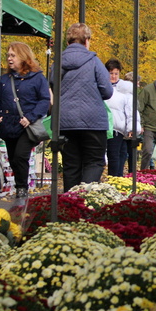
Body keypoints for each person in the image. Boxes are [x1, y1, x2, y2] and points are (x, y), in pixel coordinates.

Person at [59, 23, 113, 191]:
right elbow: (107, 90)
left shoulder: (58, 62)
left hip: (66, 122)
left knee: (71, 165)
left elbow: (53, 85)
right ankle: (84, 198)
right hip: (93, 121)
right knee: (94, 161)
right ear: (87, 40)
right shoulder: (94, 62)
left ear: (68, 41)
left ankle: (70, 204)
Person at [0, 42, 51, 198]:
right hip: (8, 125)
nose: (9, 59)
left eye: (13, 55)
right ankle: (19, 185)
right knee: (13, 158)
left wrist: (31, 117)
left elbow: (44, 100)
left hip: (27, 126)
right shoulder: (4, 79)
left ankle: (22, 188)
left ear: (23, 56)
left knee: (21, 155)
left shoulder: (37, 78)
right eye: (8, 55)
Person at [105, 59, 135, 177]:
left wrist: (132, 127)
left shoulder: (125, 88)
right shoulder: (103, 87)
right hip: (108, 125)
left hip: (119, 126)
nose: (113, 76)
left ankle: (118, 178)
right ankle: (114, 179)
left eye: (116, 73)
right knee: (113, 155)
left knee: (121, 154)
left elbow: (131, 110)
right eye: (111, 73)